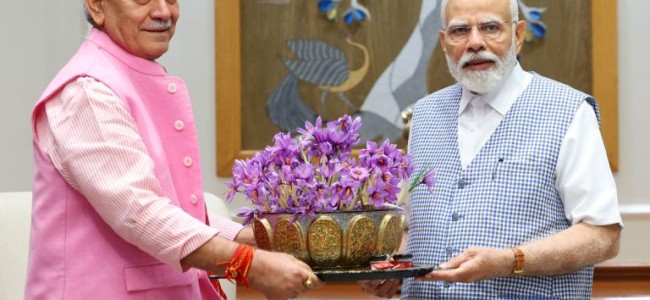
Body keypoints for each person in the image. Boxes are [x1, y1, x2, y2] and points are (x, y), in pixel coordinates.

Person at [26, 0, 322, 299]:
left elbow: (171, 209)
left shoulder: (123, 76)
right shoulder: (87, 91)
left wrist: (261, 239)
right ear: (97, 6)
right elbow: (140, 212)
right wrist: (249, 264)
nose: (163, 12)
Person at [360, 0, 622, 298]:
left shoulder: (568, 110)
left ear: (518, 35)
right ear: (445, 43)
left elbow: (603, 235)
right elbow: (412, 228)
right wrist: (394, 268)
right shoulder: (424, 114)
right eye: (460, 30)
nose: (474, 42)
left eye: (490, 27)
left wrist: (509, 261)